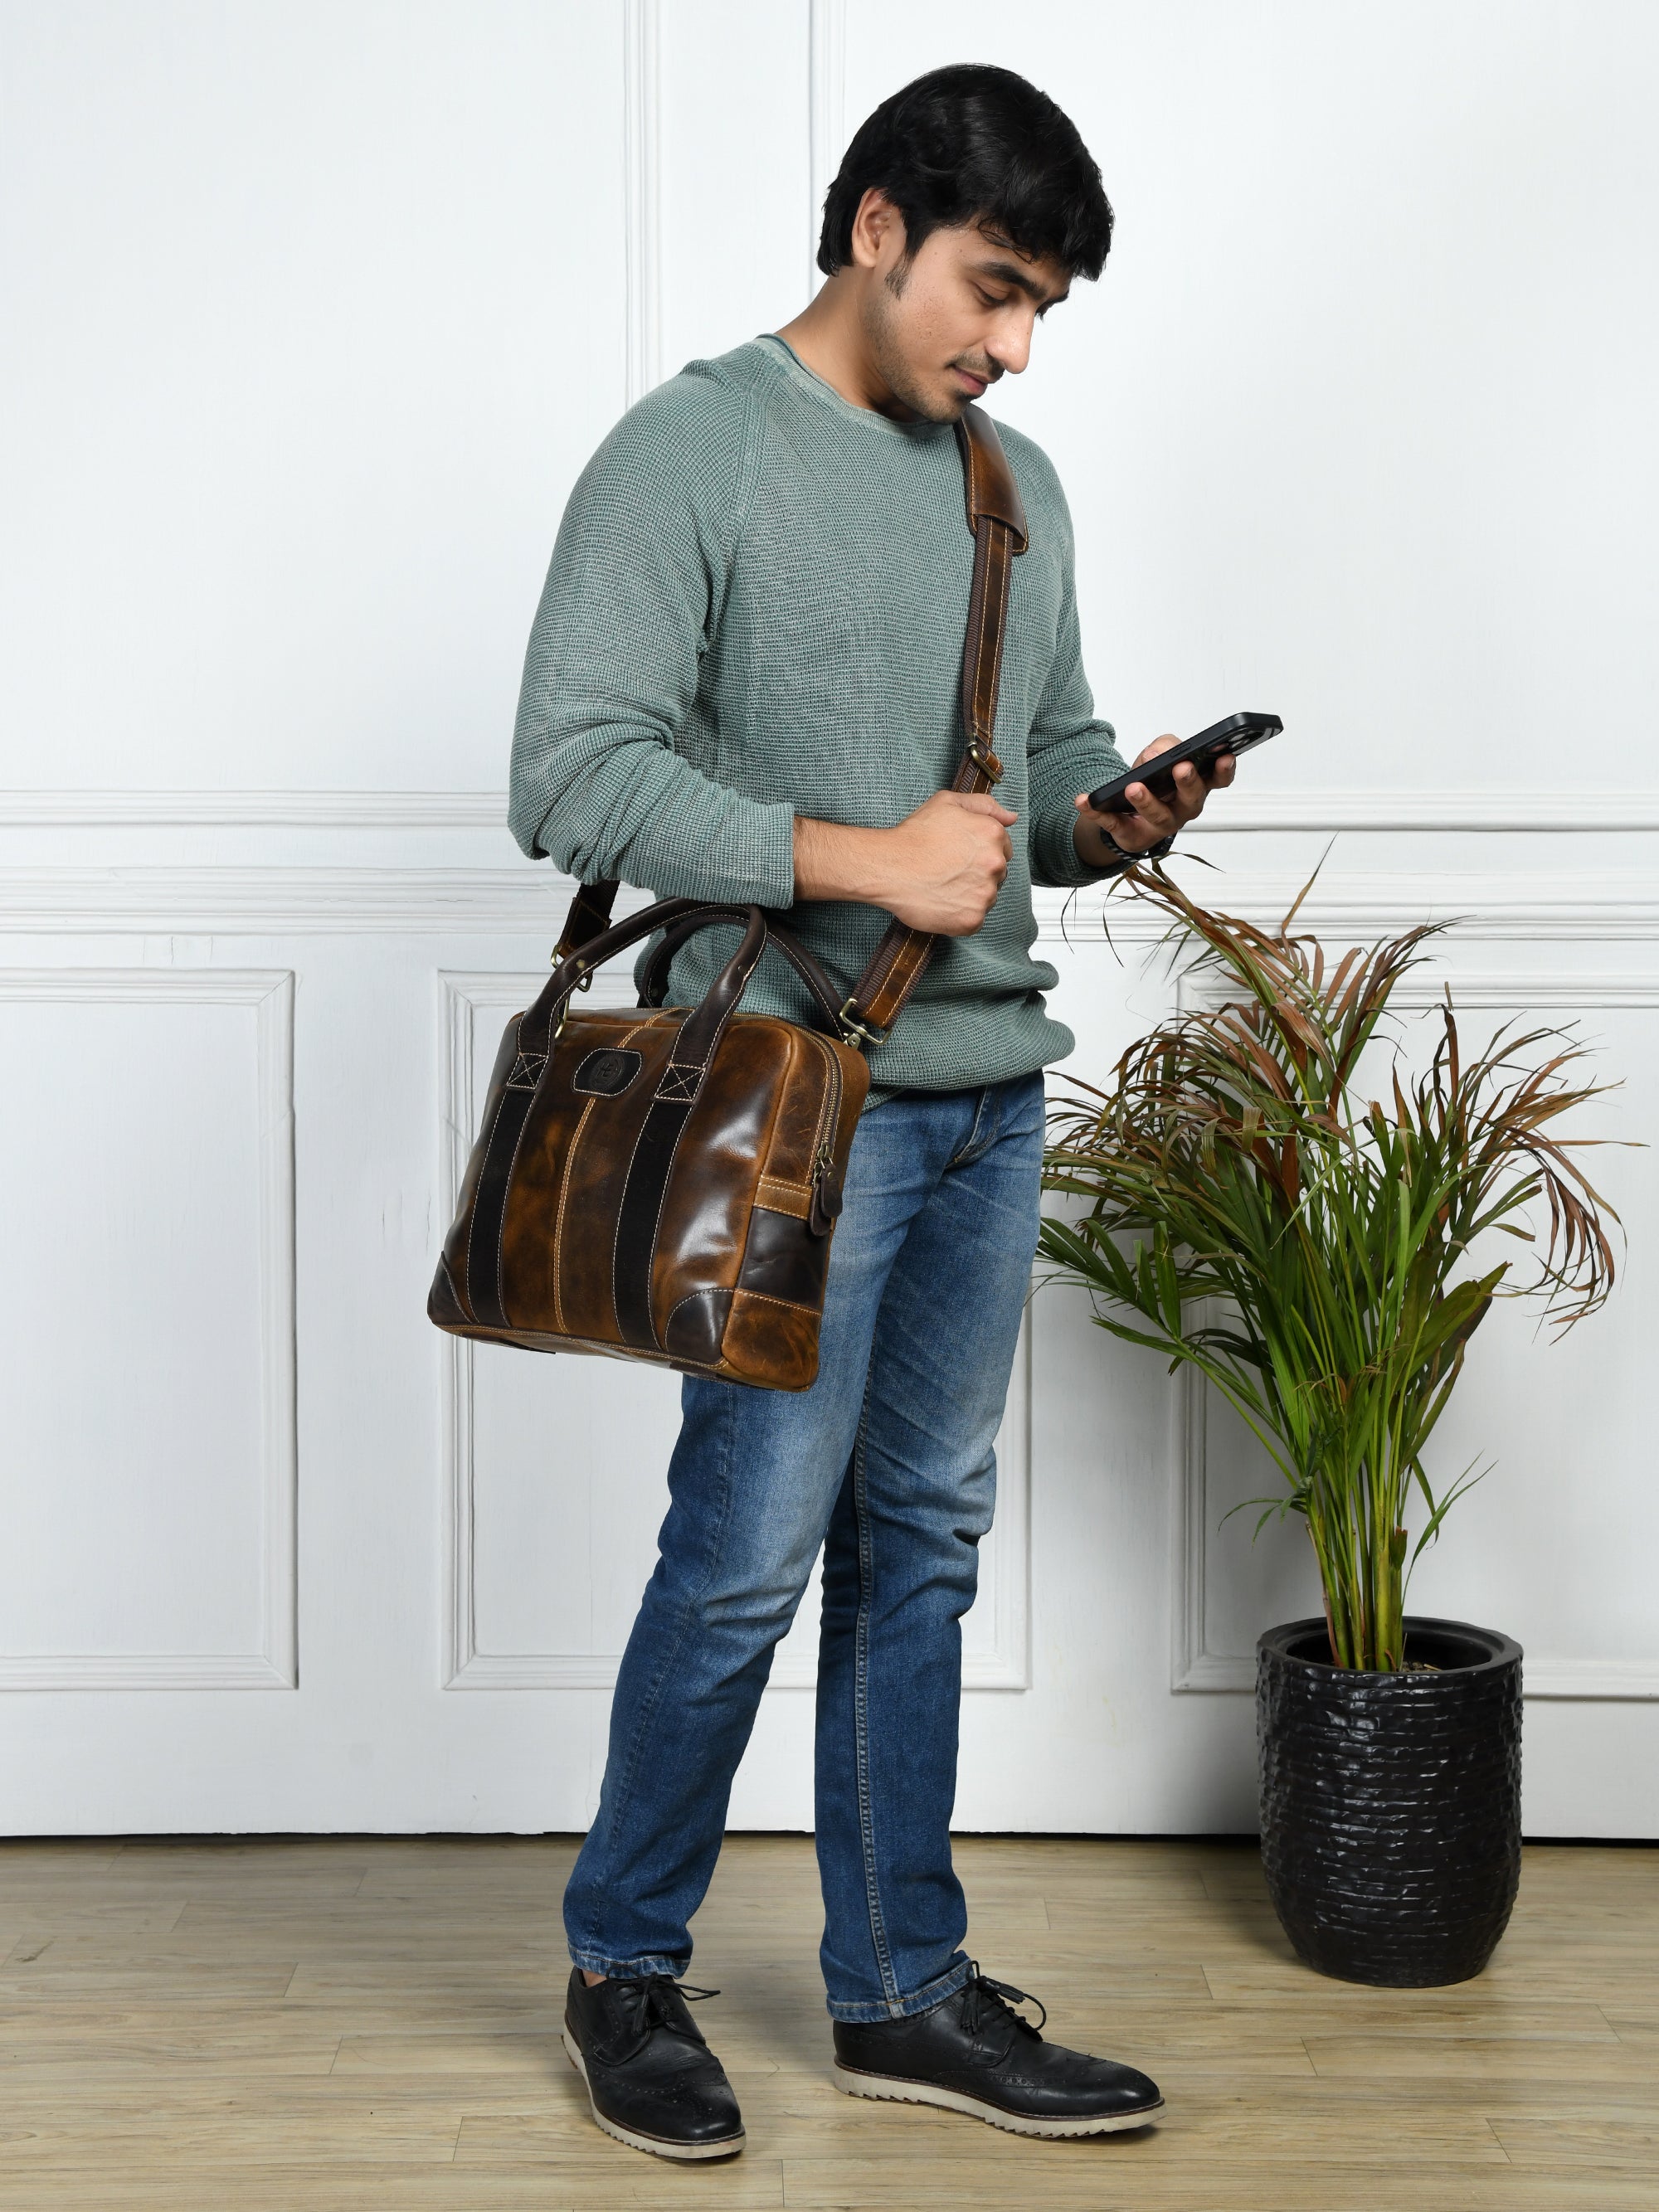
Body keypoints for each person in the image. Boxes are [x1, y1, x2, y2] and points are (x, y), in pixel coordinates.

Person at [507, 62, 1233, 2162]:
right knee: (740, 1558)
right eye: (991, 289)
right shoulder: (691, 451)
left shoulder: (1018, 484)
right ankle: (624, 1966)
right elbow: (570, 771)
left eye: (1038, 314)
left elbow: (1038, 793)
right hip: (792, 1110)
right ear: (873, 225)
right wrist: (861, 854)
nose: (1006, 344)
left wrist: (1113, 815)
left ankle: (902, 1985)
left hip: (991, 1101)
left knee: (919, 1550)